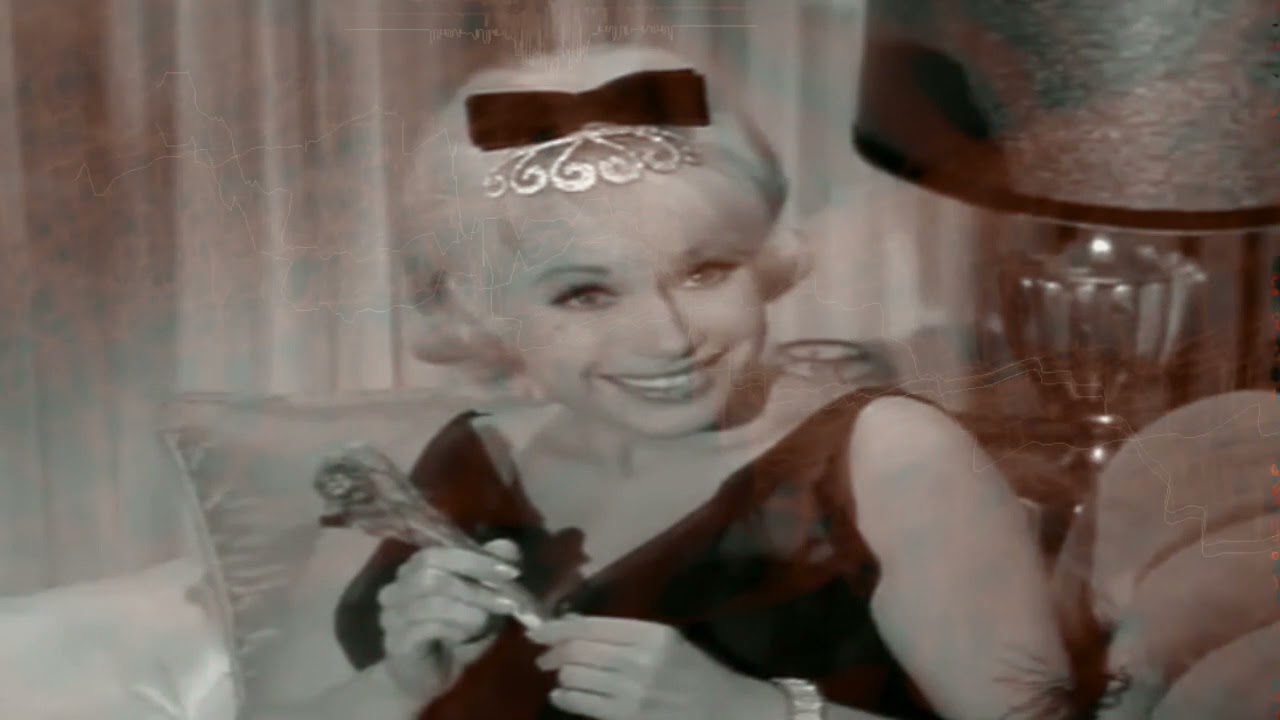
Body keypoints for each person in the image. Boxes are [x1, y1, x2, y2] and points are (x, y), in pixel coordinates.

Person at [261, 45, 1088, 720]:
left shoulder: (887, 457)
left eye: (704, 272)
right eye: (586, 294)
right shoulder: (455, 462)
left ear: (761, 263)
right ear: (491, 316)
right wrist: (401, 685)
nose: (668, 338)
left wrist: (754, 713)